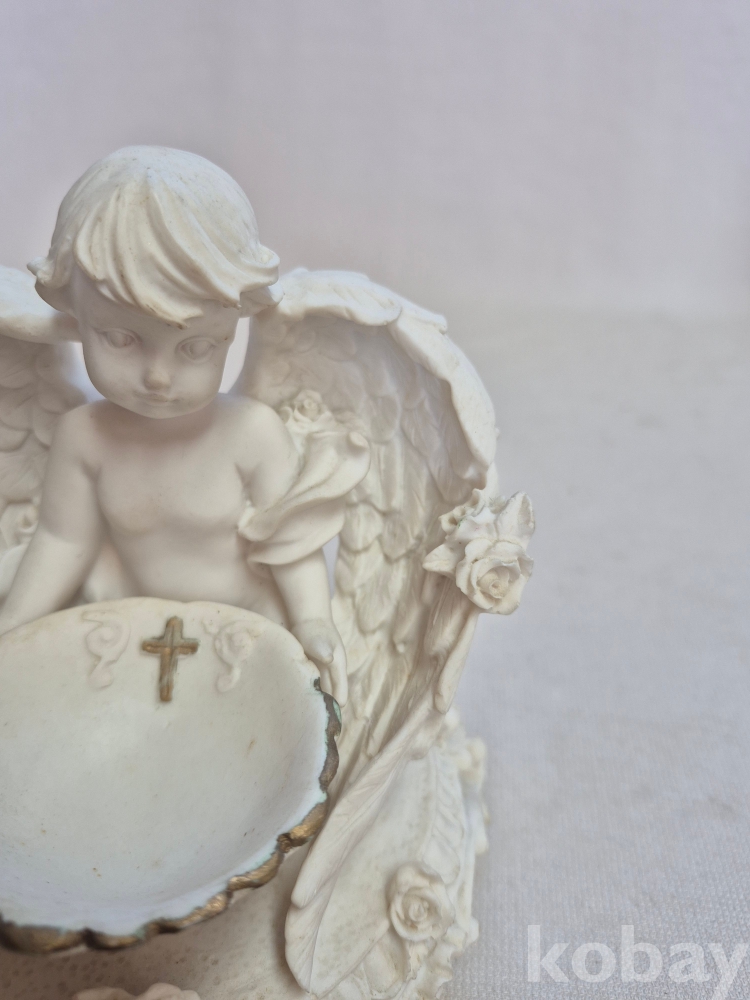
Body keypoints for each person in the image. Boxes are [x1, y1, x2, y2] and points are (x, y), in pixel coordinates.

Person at [0, 146, 358, 705]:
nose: (158, 376)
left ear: (231, 331)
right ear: (76, 318)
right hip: (129, 628)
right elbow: (64, 539)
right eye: (121, 339)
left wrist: (313, 621)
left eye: (195, 348)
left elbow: (291, 547)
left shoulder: (253, 435)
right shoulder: (84, 437)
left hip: (244, 630)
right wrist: (14, 625)